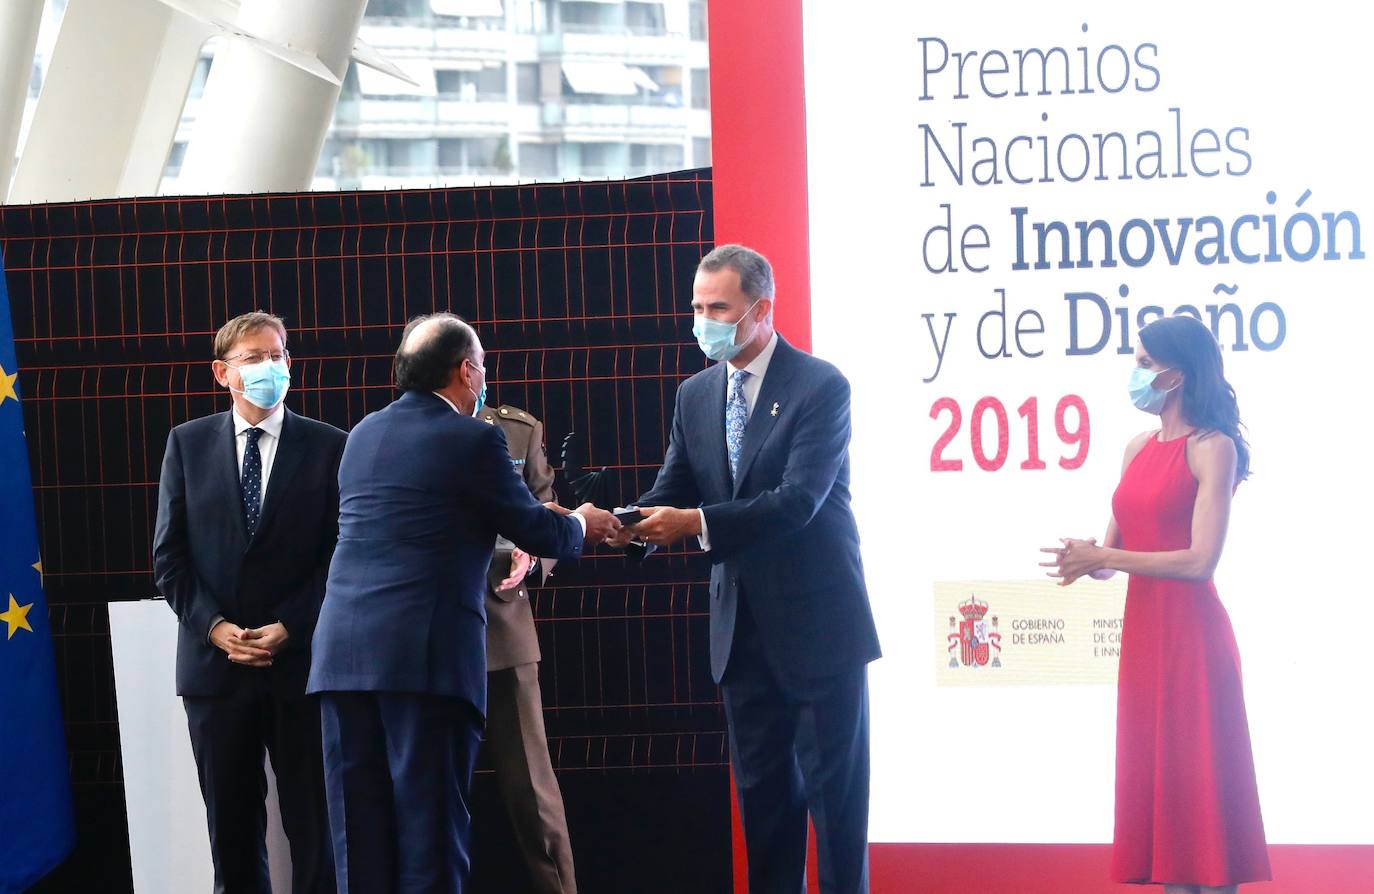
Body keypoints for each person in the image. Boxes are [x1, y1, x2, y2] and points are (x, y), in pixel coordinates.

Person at [307, 313, 619, 894]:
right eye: (482, 366)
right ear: (466, 371)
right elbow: (537, 531)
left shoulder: (364, 434)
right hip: (423, 664)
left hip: (342, 661)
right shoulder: (474, 436)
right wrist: (581, 524)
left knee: (360, 838)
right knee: (430, 836)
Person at [617, 244, 880, 894]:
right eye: (697, 307)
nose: (703, 321)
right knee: (765, 821)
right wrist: (616, 523)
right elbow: (670, 491)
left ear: (762, 309)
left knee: (836, 823)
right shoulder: (696, 394)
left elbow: (797, 502)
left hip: (820, 633)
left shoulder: (820, 386)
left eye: (719, 308)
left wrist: (696, 524)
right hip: (741, 640)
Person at [1040, 314, 1270, 894]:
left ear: (1179, 373)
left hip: (1194, 645)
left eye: (1144, 363)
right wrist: (1086, 557)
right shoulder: (1137, 447)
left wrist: (1104, 558)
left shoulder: (1212, 449)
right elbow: (1114, 555)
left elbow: (1199, 562)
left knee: (1203, 820)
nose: (1135, 373)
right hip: (1144, 645)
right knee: (1166, 821)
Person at [153, 311, 345, 894]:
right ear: (222, 373)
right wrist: (215, 629)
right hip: (217, 672)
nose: (271, 367)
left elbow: (340, 558)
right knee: (232, 832)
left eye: (279, 355)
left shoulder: (330, 446)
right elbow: (170, 560)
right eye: (255, 358)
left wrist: (290, 626)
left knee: (315, 827)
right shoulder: (186, 444)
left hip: (302, 667)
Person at [476, 400, 578, 894]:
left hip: (504, 623)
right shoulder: (397, 431)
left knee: (533, 794)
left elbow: (545, 509)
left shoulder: (518, 430)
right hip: (426, 635)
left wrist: (533, 555)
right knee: (424, 789)